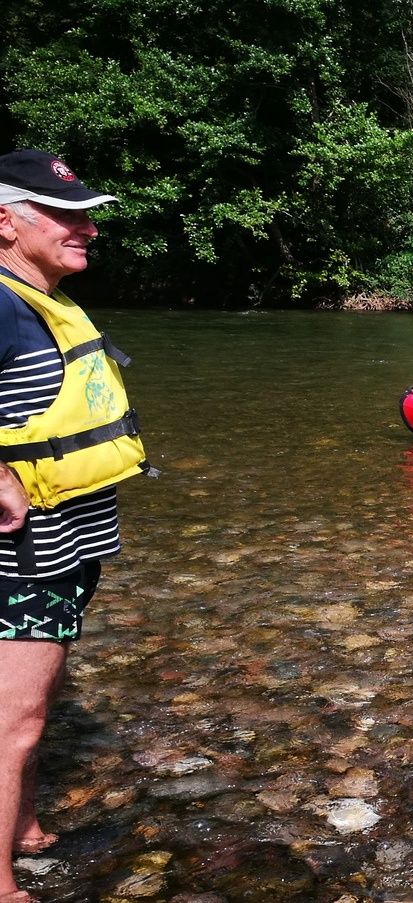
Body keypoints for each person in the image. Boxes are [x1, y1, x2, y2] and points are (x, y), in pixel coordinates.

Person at [0, 149, 147, 903]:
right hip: (19, 555)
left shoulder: (40, 295)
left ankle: (21, 825)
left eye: (86, 212)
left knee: (36, 705)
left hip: (65, 544)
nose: (85, 227)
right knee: (14, 719)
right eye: (62, 214)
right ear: (3, 221)